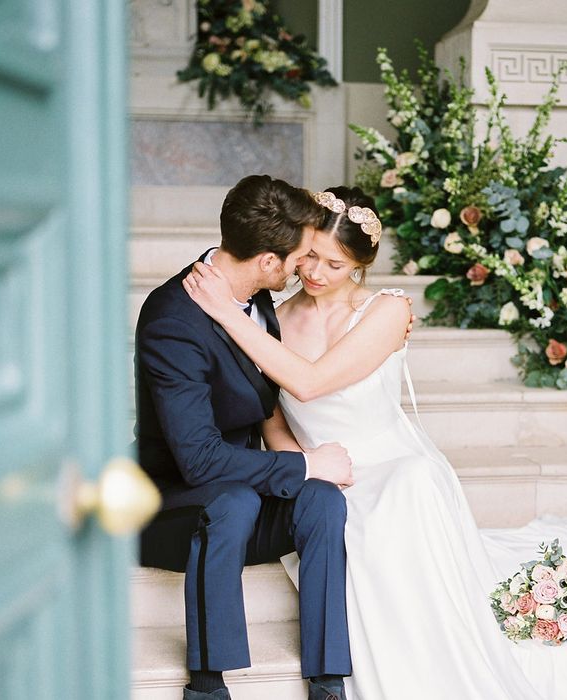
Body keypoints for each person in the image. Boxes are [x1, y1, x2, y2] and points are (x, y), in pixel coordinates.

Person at [184, 186, 567, 699]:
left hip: (391, 461)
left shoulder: (386, 311)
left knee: (408, 486)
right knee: (326, 507)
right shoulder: (274, 315)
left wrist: (228, 314)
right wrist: (304, 466)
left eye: (335, 264)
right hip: (322, 467)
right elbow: (271, 411)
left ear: (360, 266)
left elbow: (311, 383)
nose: (316, 273)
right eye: (311, 256)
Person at [136, 175, 356, 700]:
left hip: (238, 497)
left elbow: (262, 407)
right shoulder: (172, 319)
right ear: (268, 261)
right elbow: (199, 462)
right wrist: (305, 465)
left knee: (322, 501)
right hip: (171, 510)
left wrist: (308, 474)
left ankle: (327, 682)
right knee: (234, 500)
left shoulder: (256, 305)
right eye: (301, 256)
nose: (307, 267)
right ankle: (208, 686)